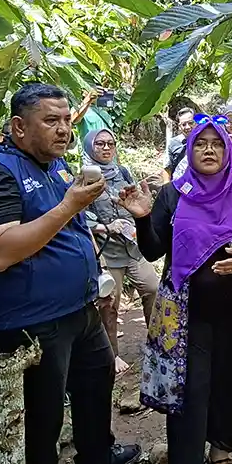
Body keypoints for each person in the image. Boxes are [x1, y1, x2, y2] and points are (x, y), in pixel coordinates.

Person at [0, 83, 140, 464]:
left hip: (77, 306)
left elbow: (66, 222)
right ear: (18, 127)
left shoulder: (55, 165)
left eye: (65, 119)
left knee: (97, 378)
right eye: (50, 121)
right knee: (42, 417)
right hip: (29, 322)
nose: (63, 129)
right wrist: (70, 206)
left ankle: (96, 457)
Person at [117, 118, 232, 464]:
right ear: (188, 151)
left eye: (215, 145)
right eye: (199, 144)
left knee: (226, 383)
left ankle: (221, 453)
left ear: (228, 152)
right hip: (184, 317)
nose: (207, 151)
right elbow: (151, 250)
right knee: (188, 392)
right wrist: (143, 217)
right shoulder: (173, 194)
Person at [83, 128, 159, 374]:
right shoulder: (85, 179)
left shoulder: (123, 172)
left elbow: (137, 203)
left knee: (153, 289)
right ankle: (111, 355)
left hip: (132, 247)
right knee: (108, 303)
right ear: (89, 148)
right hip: (107, 252)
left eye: (110, 144)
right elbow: (75, 216)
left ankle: (157, 343)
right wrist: (103, 227)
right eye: (100, 144)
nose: (106, 148)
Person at [164, 108, 197, 182]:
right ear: (179, 127)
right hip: (178, 185)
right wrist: (167, 189)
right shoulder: (173, 143)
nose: (187, 127)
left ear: (196, 123)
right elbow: (167, 168)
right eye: (184, 124)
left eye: (190, 123)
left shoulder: (204, 140)